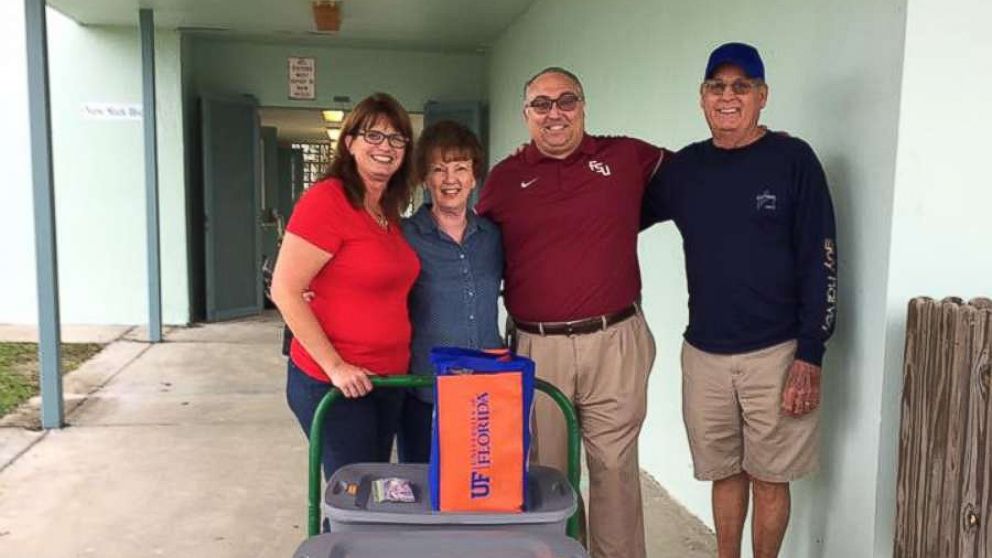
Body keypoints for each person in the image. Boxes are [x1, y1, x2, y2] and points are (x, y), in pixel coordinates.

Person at [642, 43, 838, 558]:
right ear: (702, 98)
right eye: (717, 87)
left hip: (777, 352)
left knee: (771, 478)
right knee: (724, 473)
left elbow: (822, 259)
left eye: (741, 86)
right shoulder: (685, 170)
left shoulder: (793, 160)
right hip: (704, 352)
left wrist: (811, 353)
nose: (728, 97)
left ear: (762, 96)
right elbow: (617, 218)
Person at [476, 67, 668, 558]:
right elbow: (470, 251)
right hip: (539, 346)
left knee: (615, 471)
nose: (554, 113)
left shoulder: (626, 158)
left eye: (566, 101)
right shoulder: (503, 179)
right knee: (549, 476)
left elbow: (697, 185)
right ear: (526, 115)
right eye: (541, 104)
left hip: (616, 340)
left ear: (584, 106)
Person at [271, 92, 420, 480]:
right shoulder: (328, 200)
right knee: (352, 499)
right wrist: (335, 367)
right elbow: (285, 289)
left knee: (372, 497)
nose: (385, 147)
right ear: (350, 142)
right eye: (373, 135)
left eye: (396, 139)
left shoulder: (386, 211)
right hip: (336, 385)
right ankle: (334, 544)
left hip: (387, 380)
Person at [397, 120, 504, 463]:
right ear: (425, 179)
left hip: (488, 391)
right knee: (427, 495)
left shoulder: (494, 236)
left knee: (483, 493)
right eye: (438, 169)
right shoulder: (405, 235)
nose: (450, 179)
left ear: (475, 176)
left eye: (460, 167)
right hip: (426, 390)